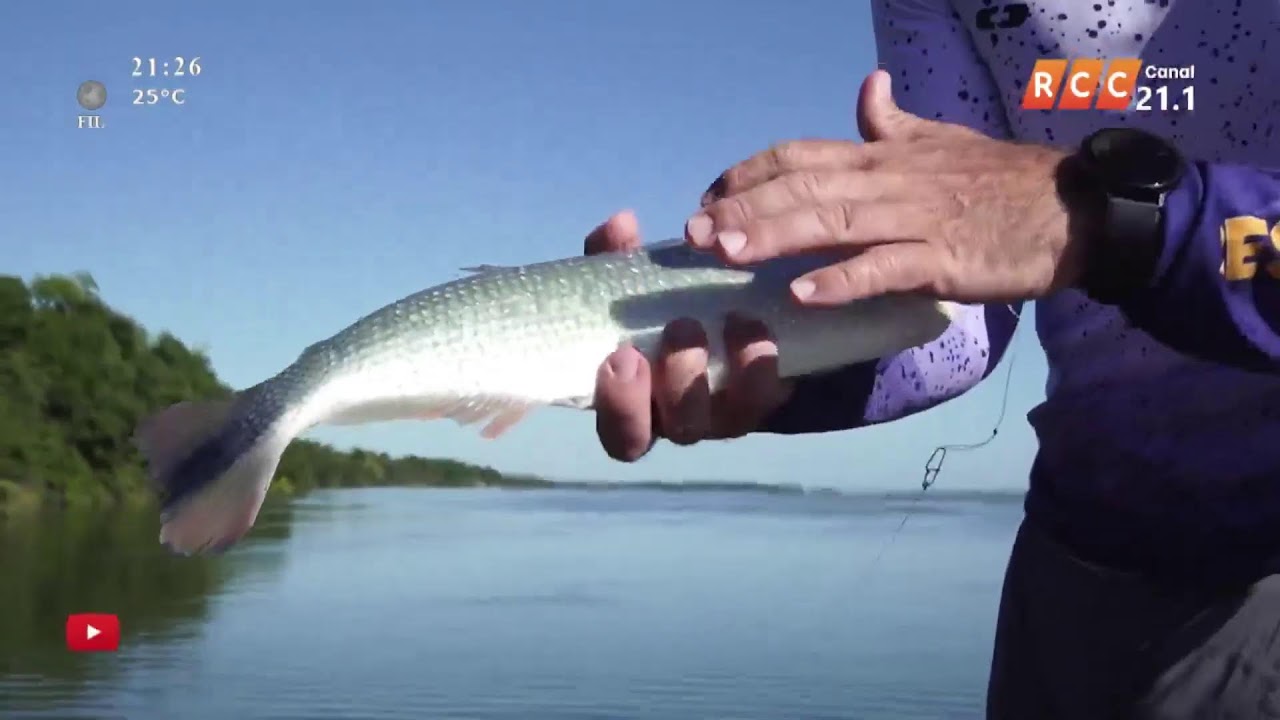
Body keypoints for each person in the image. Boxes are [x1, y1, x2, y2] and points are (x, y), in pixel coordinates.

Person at [583, 2, 1280, 718]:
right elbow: (958, 309)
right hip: (1073, 567)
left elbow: (1044, 224)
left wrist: (1122, 223)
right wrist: (779, 358)